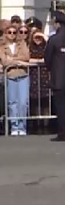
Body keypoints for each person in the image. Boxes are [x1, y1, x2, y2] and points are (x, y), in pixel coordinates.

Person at [45, 11, 65, 141]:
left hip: (59, 78)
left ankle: (63, 132)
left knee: (61, 107)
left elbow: (47, 57)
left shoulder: (54, 39)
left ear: (57, 23)